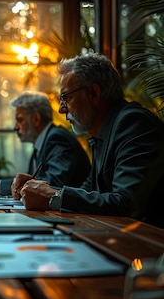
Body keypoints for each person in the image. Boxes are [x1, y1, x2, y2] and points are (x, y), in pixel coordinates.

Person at [19, 53, 164, 228]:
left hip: (145, 246)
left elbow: (127, 202)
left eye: (66, 97)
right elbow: (90, 191)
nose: (61, 108)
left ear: (94, 93)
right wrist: (42, 192)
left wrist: (52, 197)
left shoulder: (133, 123)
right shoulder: (102, 132)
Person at [0, 91, 91, 195]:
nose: (15, 127)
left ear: (36, 119)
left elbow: (49, 185)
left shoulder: (57, 139)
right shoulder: (43, 142)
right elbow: (32, 181)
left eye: (20, 120)